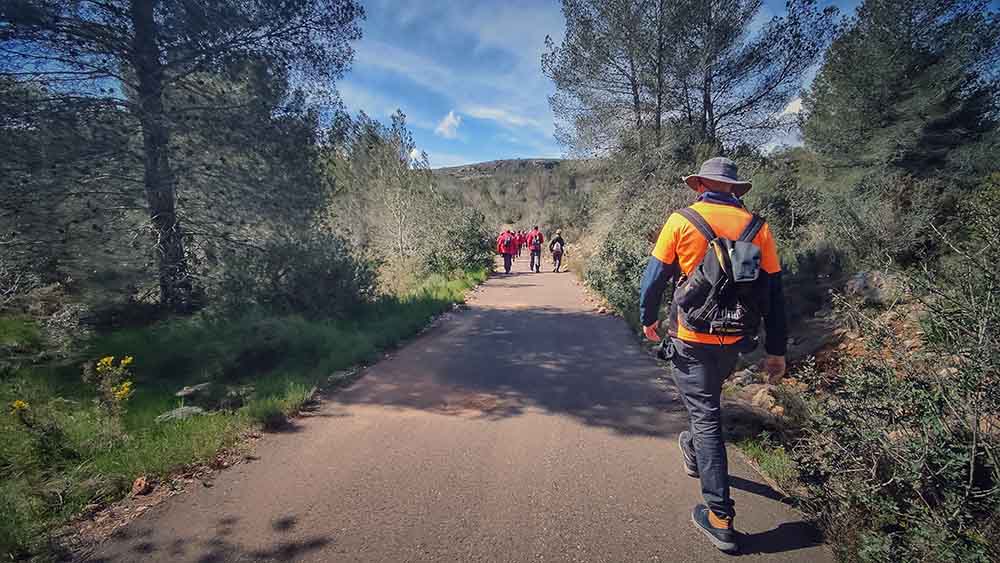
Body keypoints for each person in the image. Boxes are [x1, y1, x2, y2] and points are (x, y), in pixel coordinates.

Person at [638, 157, 787, 554]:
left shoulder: (681, 220)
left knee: (704, 414)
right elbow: (774, 296)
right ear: (736, 190)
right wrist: (776, 350)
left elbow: (653, 280)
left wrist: (647, 320)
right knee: (706, 404)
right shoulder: (759, 228)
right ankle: (692, 447)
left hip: (692, 335)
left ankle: (720, 517)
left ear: (700, 184)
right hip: (734, 339)